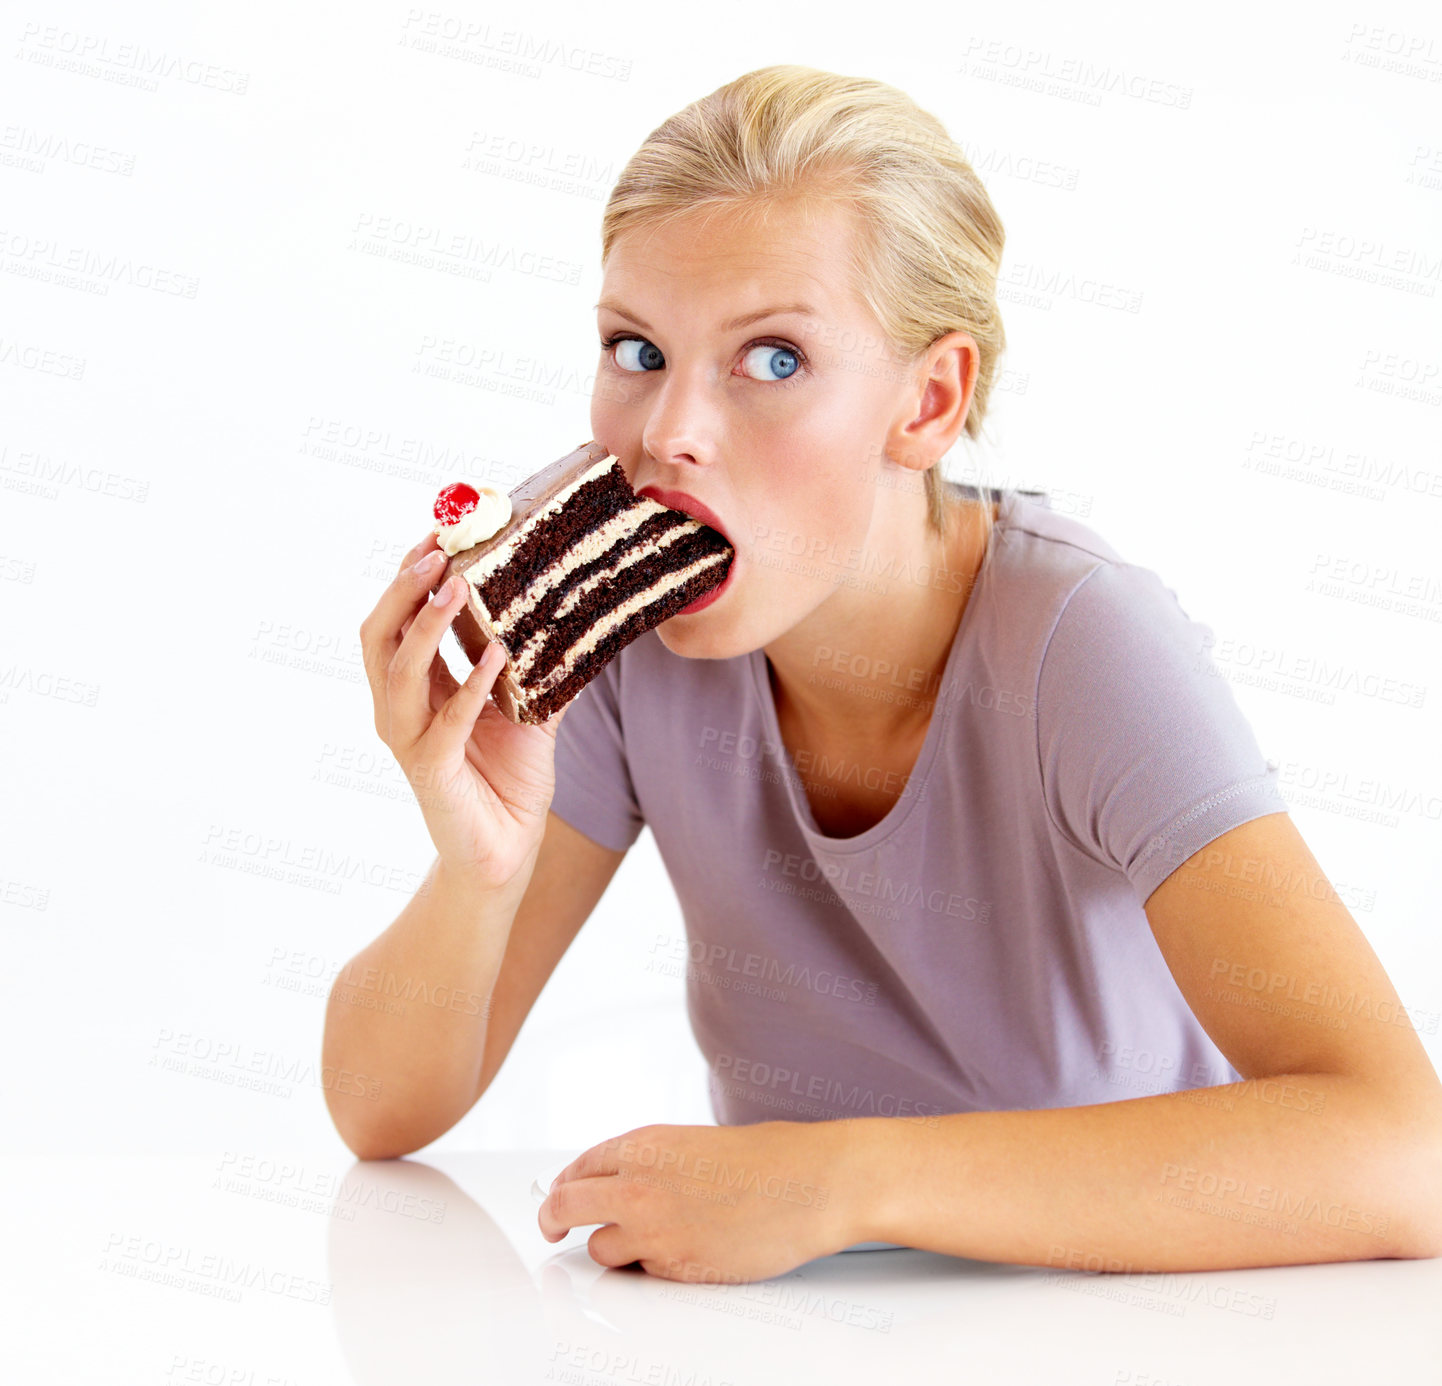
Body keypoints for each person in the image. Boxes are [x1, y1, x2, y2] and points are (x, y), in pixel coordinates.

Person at [330, 65, 1442, 1283]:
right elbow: (380, 1113)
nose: (664, 435)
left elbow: (1400, 1151)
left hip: (1127, 1328)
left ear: (926, 401)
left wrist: (842, 1183)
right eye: (636, 348)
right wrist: (476, 870)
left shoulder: (1081, 646)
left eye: (772, 361)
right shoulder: (635, 653)